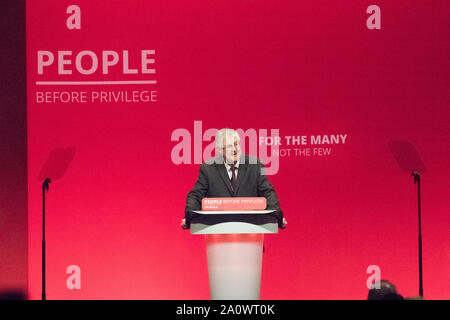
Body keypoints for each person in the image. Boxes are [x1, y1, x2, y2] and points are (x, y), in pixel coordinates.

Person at [181, 128, 287, 229]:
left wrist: (276, 216)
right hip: (219, 232)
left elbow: (268, 192)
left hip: (250, 231)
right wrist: (190, 217)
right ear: (219, 150)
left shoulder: (254, 165)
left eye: (236, 144)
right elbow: (196, 195)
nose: (235, 150)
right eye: (229, 146)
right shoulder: (208, 168)